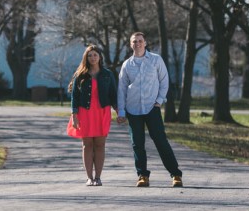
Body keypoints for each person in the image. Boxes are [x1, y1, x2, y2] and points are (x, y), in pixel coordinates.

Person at [116, 31, 183, 188]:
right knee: (137, 144)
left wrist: (159, 101)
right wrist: (121, 111)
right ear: (131, 44)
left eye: (140, 41)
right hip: (133, 109)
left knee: (161, 141)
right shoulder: (127, 65)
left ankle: (176, 175)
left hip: (152, 108)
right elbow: (122, 89)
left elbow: (164, 81)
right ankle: (142, 176)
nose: (138, 43)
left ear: (145, 43)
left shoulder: (156, 60)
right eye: (135, 41)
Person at [66, 44, 118, 186]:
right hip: (85, 113)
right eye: (90, 55)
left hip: (102, 112)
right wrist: (74, 115)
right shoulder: (80, 75)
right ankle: (89, 177)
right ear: (86, 58)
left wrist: (119, 111)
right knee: (87, 145)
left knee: (100, 145)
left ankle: (98, 177)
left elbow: (113, 95)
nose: (93, 57)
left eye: (95, 55)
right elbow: (74, 97)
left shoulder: (107, 74)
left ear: (100, 57)